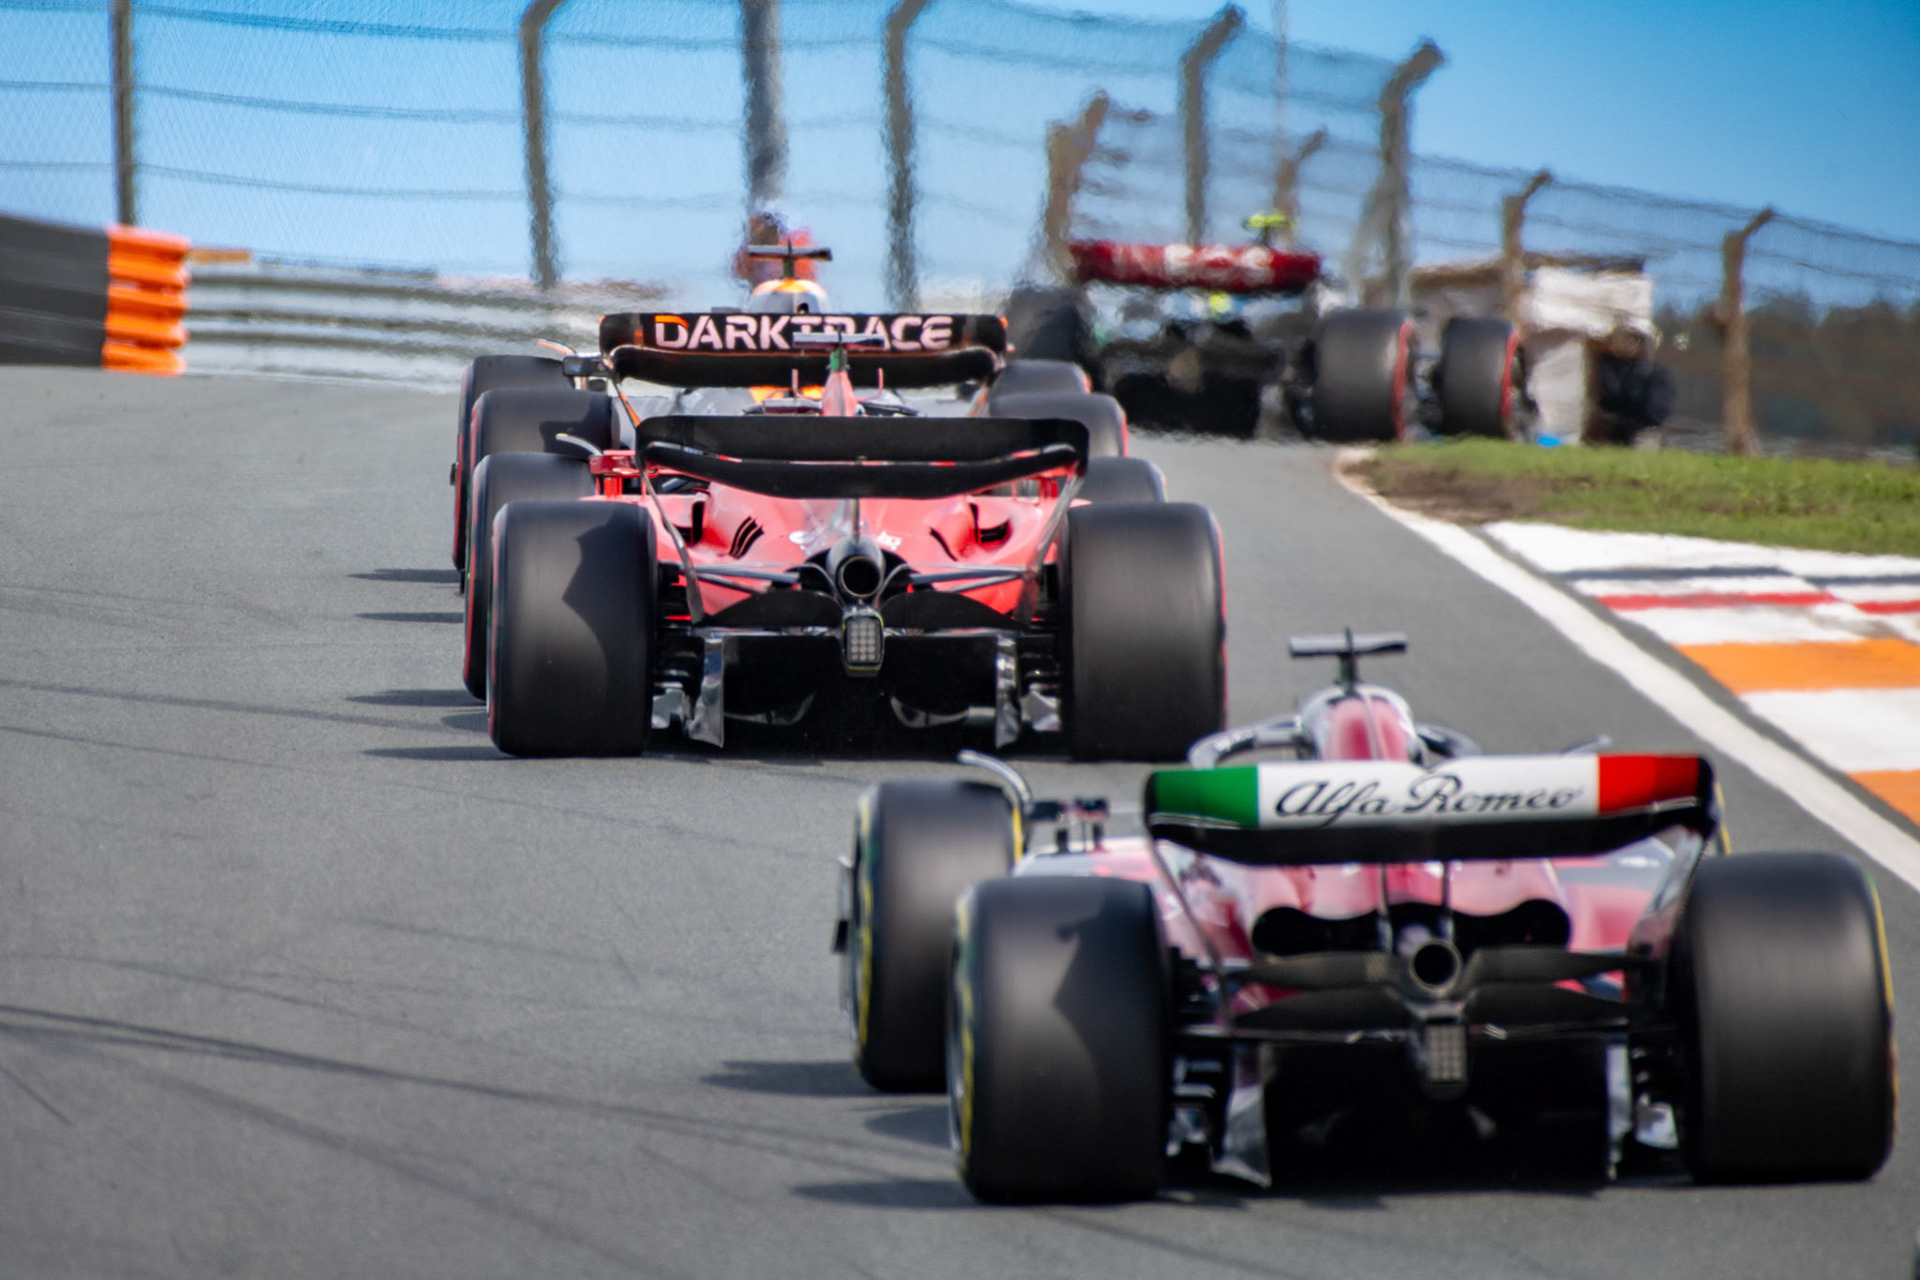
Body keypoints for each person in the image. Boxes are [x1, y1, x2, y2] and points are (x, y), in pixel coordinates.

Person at [1588, 323, 1676, 446]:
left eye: (1630, 340)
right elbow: (1604, 396)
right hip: (1609, 430)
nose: (1622, 344)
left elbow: (1656, 410)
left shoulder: (1653, 372)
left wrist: (1633, 421)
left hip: (1642, 431)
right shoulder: (1607, 367)